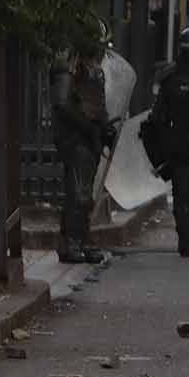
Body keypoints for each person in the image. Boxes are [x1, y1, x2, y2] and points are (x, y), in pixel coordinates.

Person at [142, 25, 189, 257]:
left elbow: (158, 116)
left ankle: (187, 241)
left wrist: (161, 148)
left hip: (181, 143)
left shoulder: (170, 75)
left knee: (183, 196)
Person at [49, 41, 115, 264]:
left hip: (89, 136)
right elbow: (62, 103)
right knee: (78, 192)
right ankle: (72, 241)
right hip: (75, 136)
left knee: (84, 192)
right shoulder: (69, 65)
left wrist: (104, 127)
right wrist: (87, 126)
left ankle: (80, 239)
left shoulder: (93, 69)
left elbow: (98, 102)